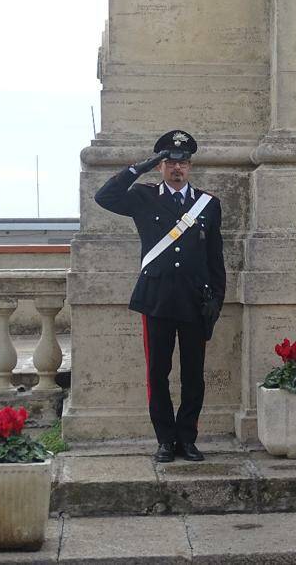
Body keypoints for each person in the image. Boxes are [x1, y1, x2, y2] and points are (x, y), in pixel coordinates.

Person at [95, 130, 225, 463]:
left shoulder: (208, 205)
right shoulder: (143, 196)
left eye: (181, 163)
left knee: (193, 375)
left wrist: (216, 302)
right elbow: (104, 197)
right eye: (168, 162)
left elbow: (215, 258)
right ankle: (166, 440)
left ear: (190, 166)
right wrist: (137, 168)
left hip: (196, 302)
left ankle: (188, 439)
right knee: (158, 373)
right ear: (160, 166)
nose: (176, 168)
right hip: (157, 299)